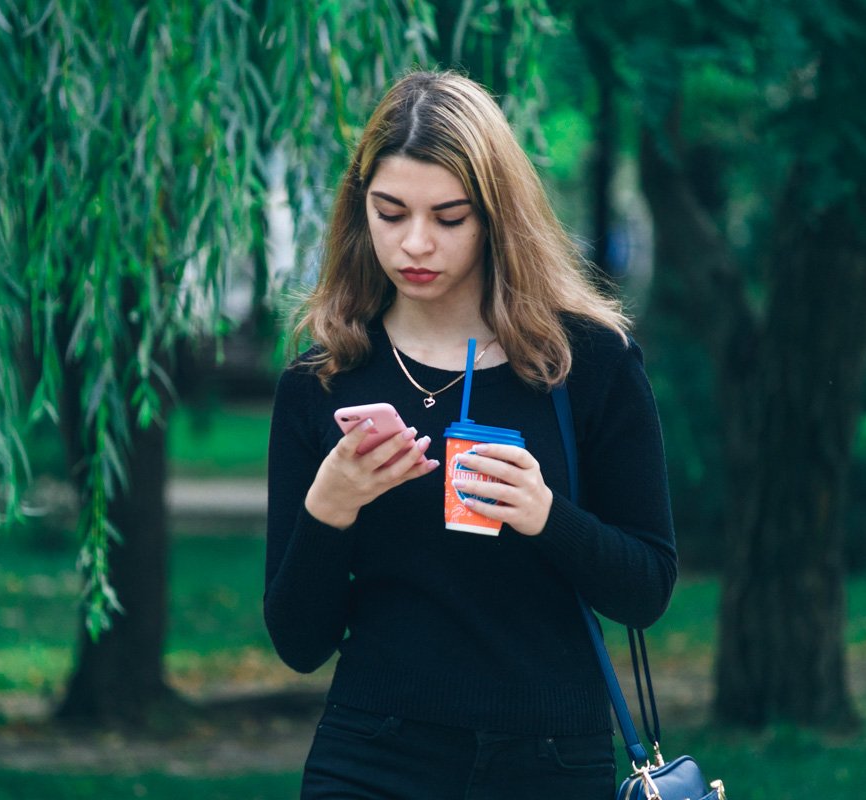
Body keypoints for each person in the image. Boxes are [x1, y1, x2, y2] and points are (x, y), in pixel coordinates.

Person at [264, 70, 676, 799]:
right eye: (390, 213)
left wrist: (548, 516)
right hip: (373, 755)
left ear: (495, 216)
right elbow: (299, 645)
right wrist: (330, 507)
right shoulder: (324, 384)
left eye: (449, 218)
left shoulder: (587, 365)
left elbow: (645, 590)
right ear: (360, 212)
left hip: (549, 760)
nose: (415, 244)